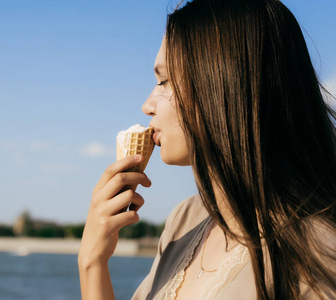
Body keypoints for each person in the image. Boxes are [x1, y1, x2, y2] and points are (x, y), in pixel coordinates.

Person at [78, 0, 336, 299]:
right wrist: (92, 262)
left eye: (164, 81)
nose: (147, 105)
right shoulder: (185, 220)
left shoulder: (318, 257)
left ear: (223, 84)